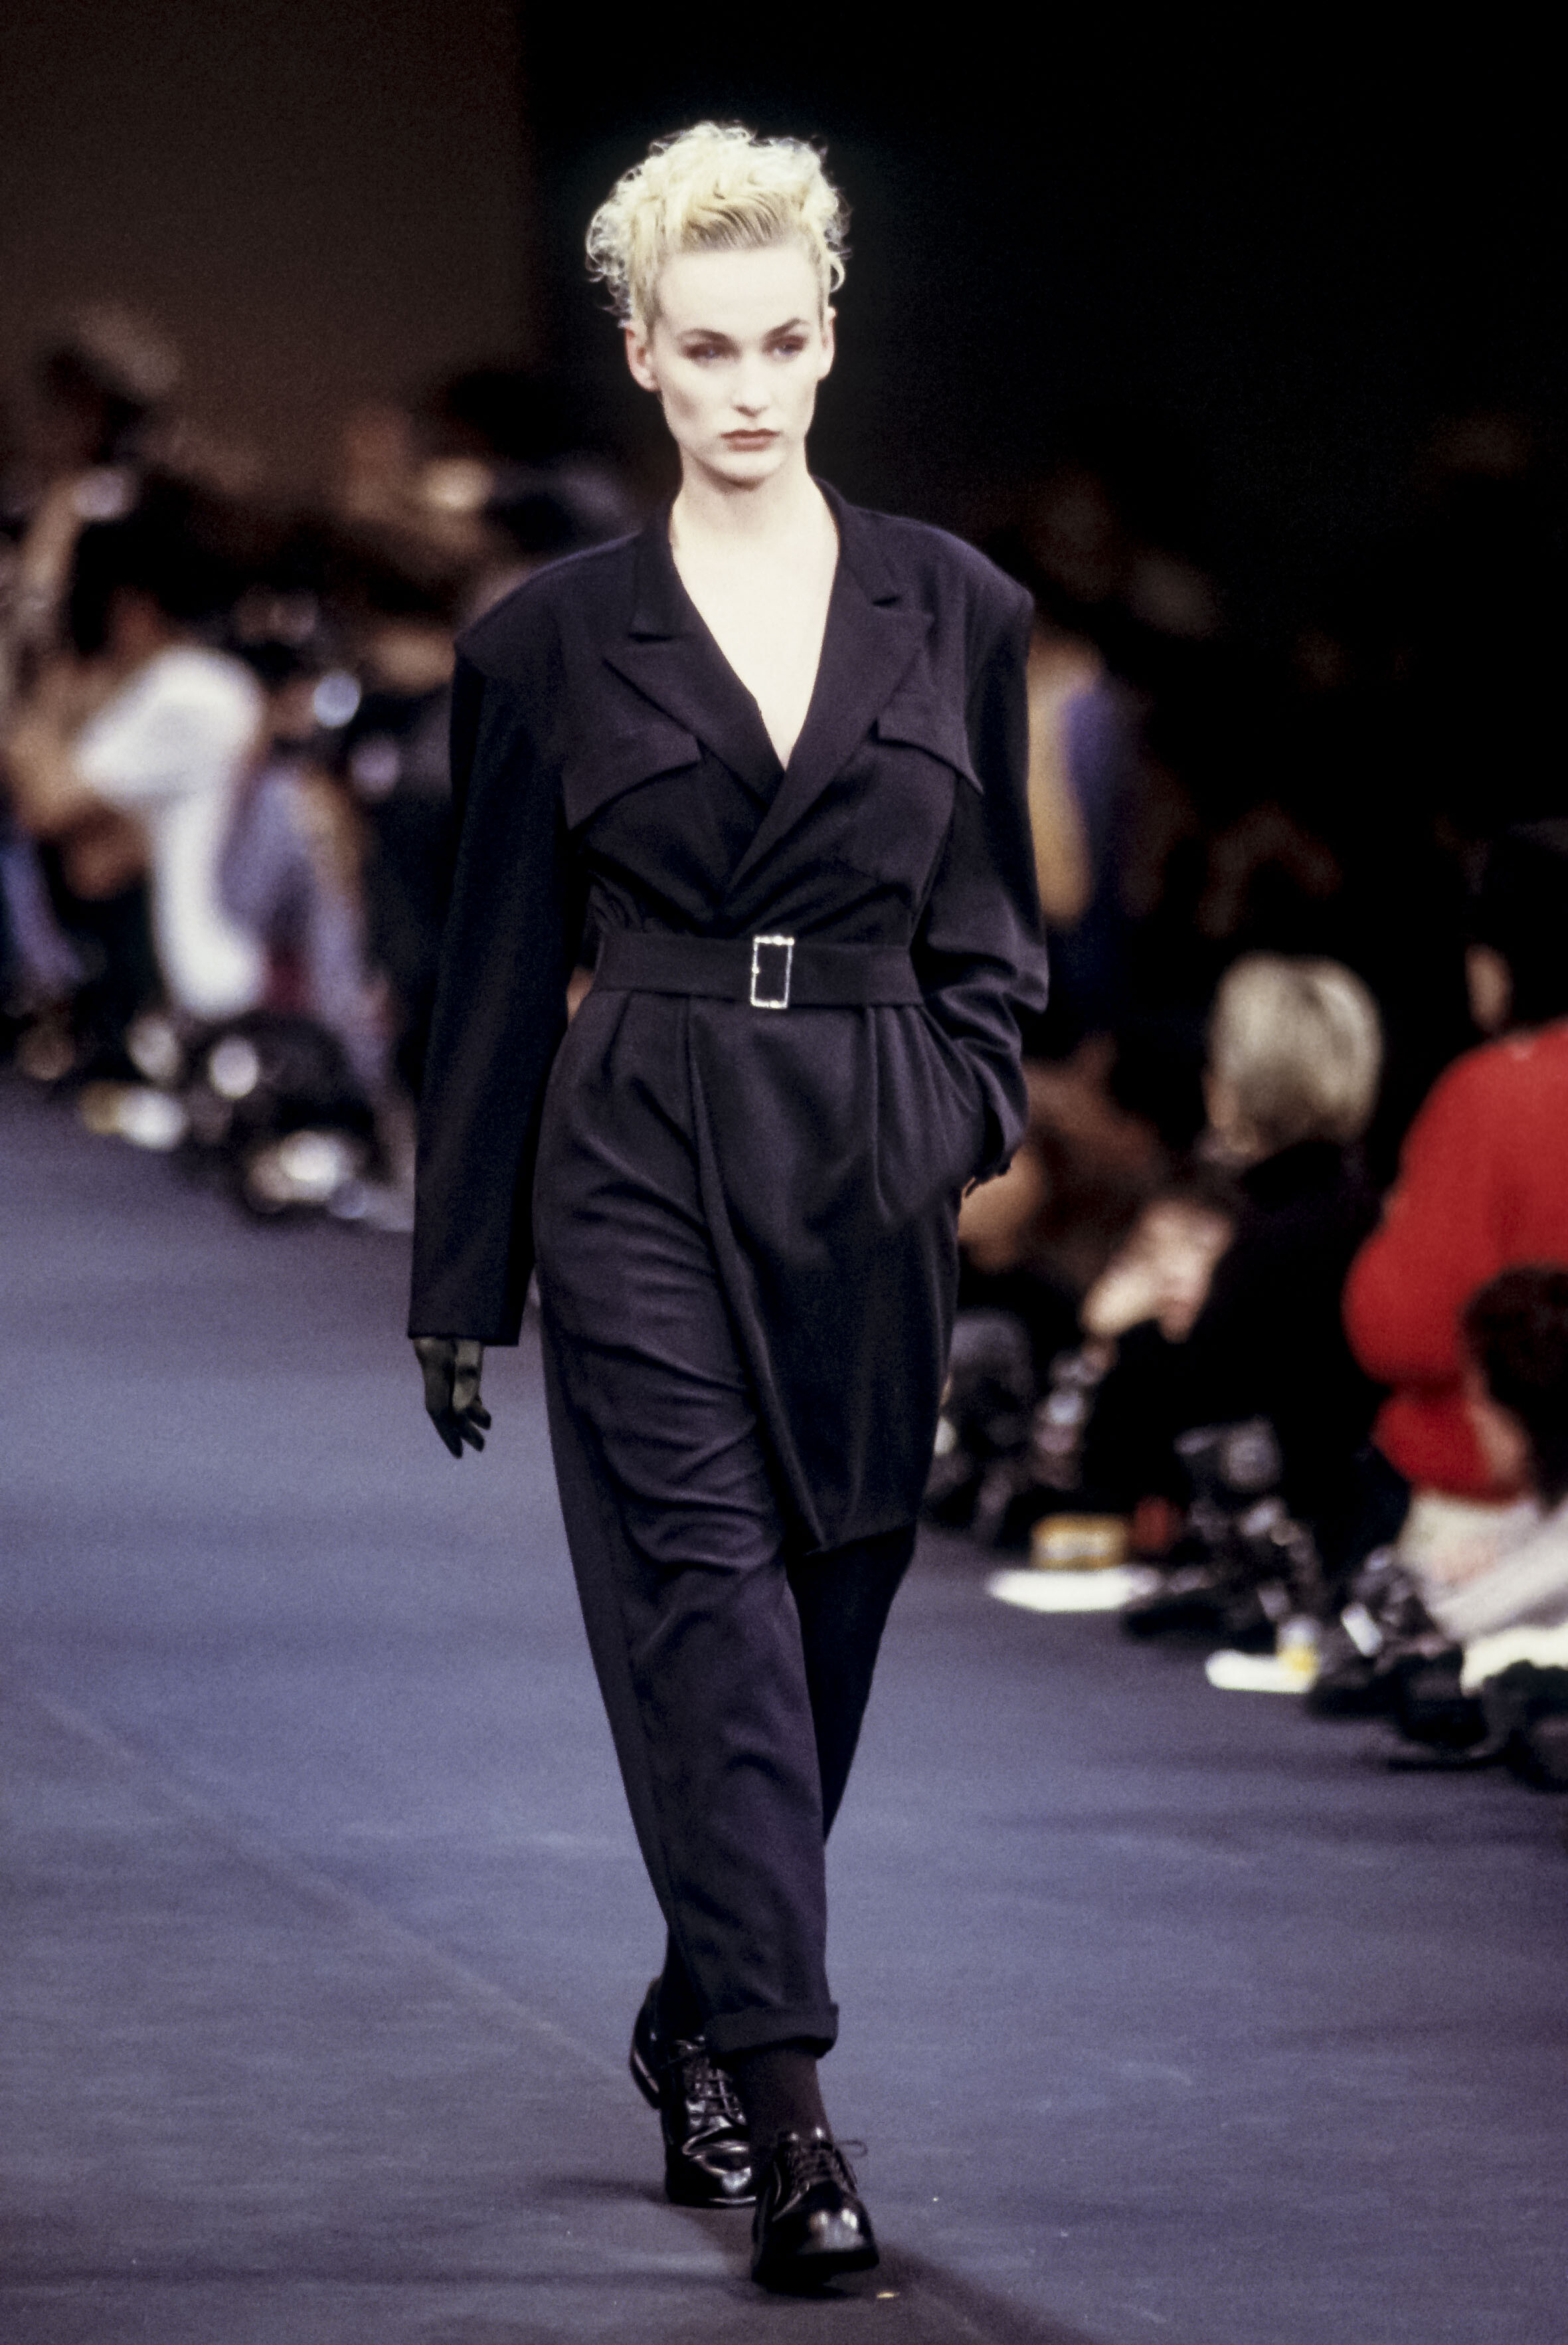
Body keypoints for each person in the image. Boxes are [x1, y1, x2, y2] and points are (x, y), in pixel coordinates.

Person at [407, 125, 1047, 2290]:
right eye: (708, 347)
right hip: (642, 1146)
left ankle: (697, 1996)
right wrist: (463, 1272)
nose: (749, 385)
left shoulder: (955, 607)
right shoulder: (549, 642)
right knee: (711, 1621)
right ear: (642, 356)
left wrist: (960, 1109)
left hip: (871, 1146)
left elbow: (995, 927)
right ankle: (793, 2124)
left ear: (830, 336)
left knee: (828, 1631)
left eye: (782, 341)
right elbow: (497, 968)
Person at [1079, 955, 1383, 1572]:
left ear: (1236, 1082)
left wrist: (1131, 1333)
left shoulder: (1278, 1234)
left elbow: (1191, 1414)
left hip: (1281, 1549)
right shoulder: (1350, 1206)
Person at [1344, 822, 1568, 1587]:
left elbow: (1406, 1329)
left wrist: (1389, 1237)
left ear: (1503, 953)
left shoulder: (1489, 1092)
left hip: (1485, 1516)